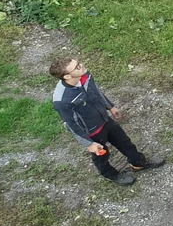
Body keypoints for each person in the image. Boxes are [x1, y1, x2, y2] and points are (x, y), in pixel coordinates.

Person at [50, 58, 165, 186]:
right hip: (92, 132)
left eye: (79, 63)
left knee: (124, 142)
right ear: (67, 76)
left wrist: (110, 106)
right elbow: (72, 124)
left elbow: (97, 92)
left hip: (104, 119)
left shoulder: (85, 75)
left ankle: (138, 162)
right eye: (77, 67)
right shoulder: (62, 100)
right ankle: (111, 174)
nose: (82, 65)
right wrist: (89, 144)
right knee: (101, 156)